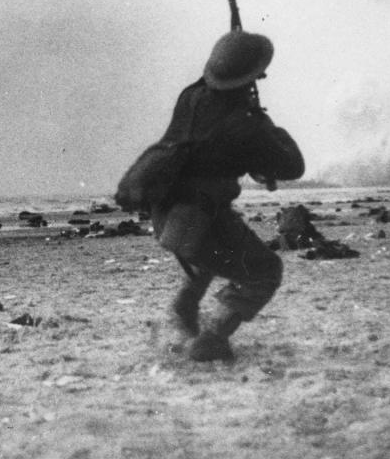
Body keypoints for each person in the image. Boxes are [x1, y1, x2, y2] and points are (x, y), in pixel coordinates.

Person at [128, 30, 304, 362]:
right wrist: (264, 121)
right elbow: (292, 166)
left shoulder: (190, 97)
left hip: (166, 214)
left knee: (210, 256)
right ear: (251, 77)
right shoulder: (246, 126)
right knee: (265, 271)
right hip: (199, 220)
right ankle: (211, 338)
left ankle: (184, 307)